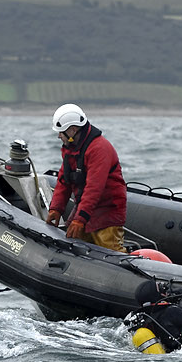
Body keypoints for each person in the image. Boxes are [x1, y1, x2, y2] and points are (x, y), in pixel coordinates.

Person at [46, 103, 127, 252]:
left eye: (61, 132)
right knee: (71, 244)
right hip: (86, 210)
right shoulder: (70, 149)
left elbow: (94, 188)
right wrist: (56, 208)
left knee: (112, 254)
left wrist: (79, 219)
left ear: (72, 130)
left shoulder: (99, 149)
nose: (58, 135)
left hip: (107, 211)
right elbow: (64, 181)